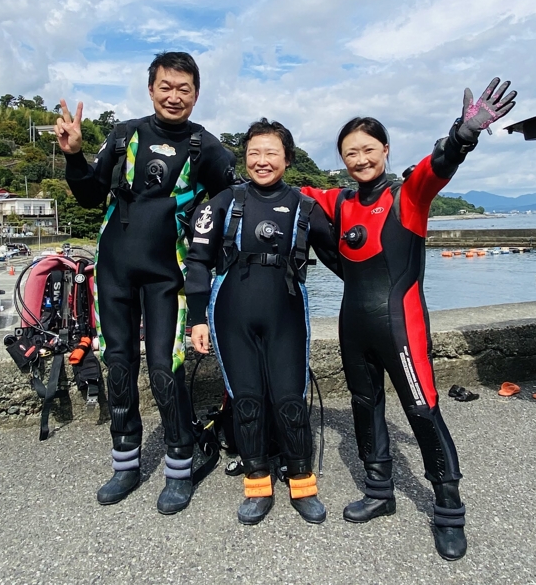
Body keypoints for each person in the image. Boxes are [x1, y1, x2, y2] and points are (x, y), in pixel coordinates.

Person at [301, 78, 516, 561]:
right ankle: (379, 492)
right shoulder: (339, 201)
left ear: (385, 150)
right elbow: (295, 192)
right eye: (350, 152)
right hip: (354, 326)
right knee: (363, 404)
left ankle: (448, 509)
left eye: (368, 149)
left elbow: (438, 168)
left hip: (400, 325)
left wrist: (463, 135)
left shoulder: (407, 196)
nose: (359, 159)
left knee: (422, 411)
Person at [55, 52, 235, 512]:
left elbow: (229, 211)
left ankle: (179, 465)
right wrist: (74, 156)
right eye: (166, 86)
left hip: (167, 278)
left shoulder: (208, 148)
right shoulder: (123, 137)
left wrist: (209, 262)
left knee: (163, 367)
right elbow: (91, 194)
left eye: (185, 89)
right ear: (150, 88)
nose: (174, 96)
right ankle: (126, 464)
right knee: (118, 366)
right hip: (113, 271)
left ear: (196, 94)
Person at [185, 118, 339, 525]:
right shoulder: (224, 203)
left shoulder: (306, 207)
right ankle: (257, 482)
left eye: (272, 152)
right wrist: (197, 319)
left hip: (286, 316)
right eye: (254, 152)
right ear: (246, 157)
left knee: (290, 398)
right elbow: (198, 263)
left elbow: (345, 261)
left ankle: (302, 481)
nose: (262, 160)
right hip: (230, 314)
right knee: (246, 398)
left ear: (287, 159)